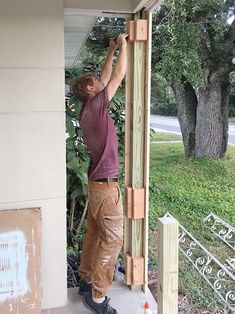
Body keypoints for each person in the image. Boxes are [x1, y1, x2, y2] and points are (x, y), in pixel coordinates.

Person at [72, 33, 128, 314]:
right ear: (91, 89)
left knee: (94, 234)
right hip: (105, 188)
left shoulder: (88, 108)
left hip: (97, 185)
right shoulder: (96, 105)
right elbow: (118, 74)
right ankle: (96, 296)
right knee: (112, 240)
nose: (99, 80)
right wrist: (125, 44)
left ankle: (85, 280)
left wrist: (111, 49)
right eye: (95, 80)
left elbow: (106, 75)